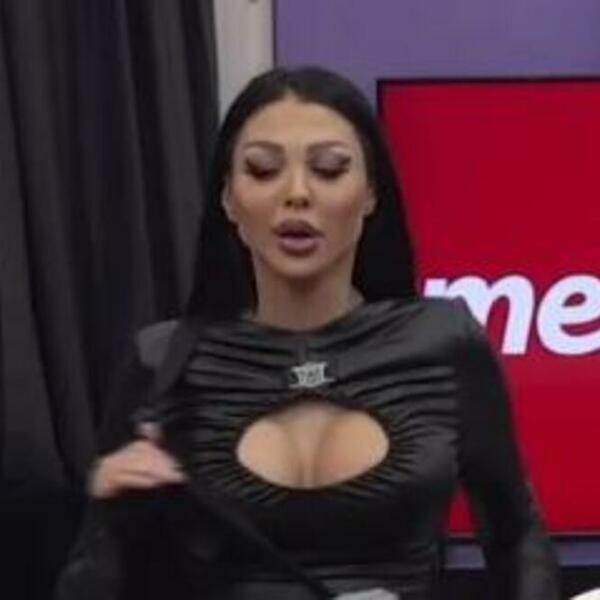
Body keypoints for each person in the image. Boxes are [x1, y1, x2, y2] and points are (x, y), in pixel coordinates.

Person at [56, 66, 560, 600]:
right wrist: (113, 525)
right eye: (263, 170)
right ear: (228, 198)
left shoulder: (443, 342)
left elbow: (516, 538)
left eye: (329, 169)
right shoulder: (163, 364)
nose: (296, 194)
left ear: (370, 193)